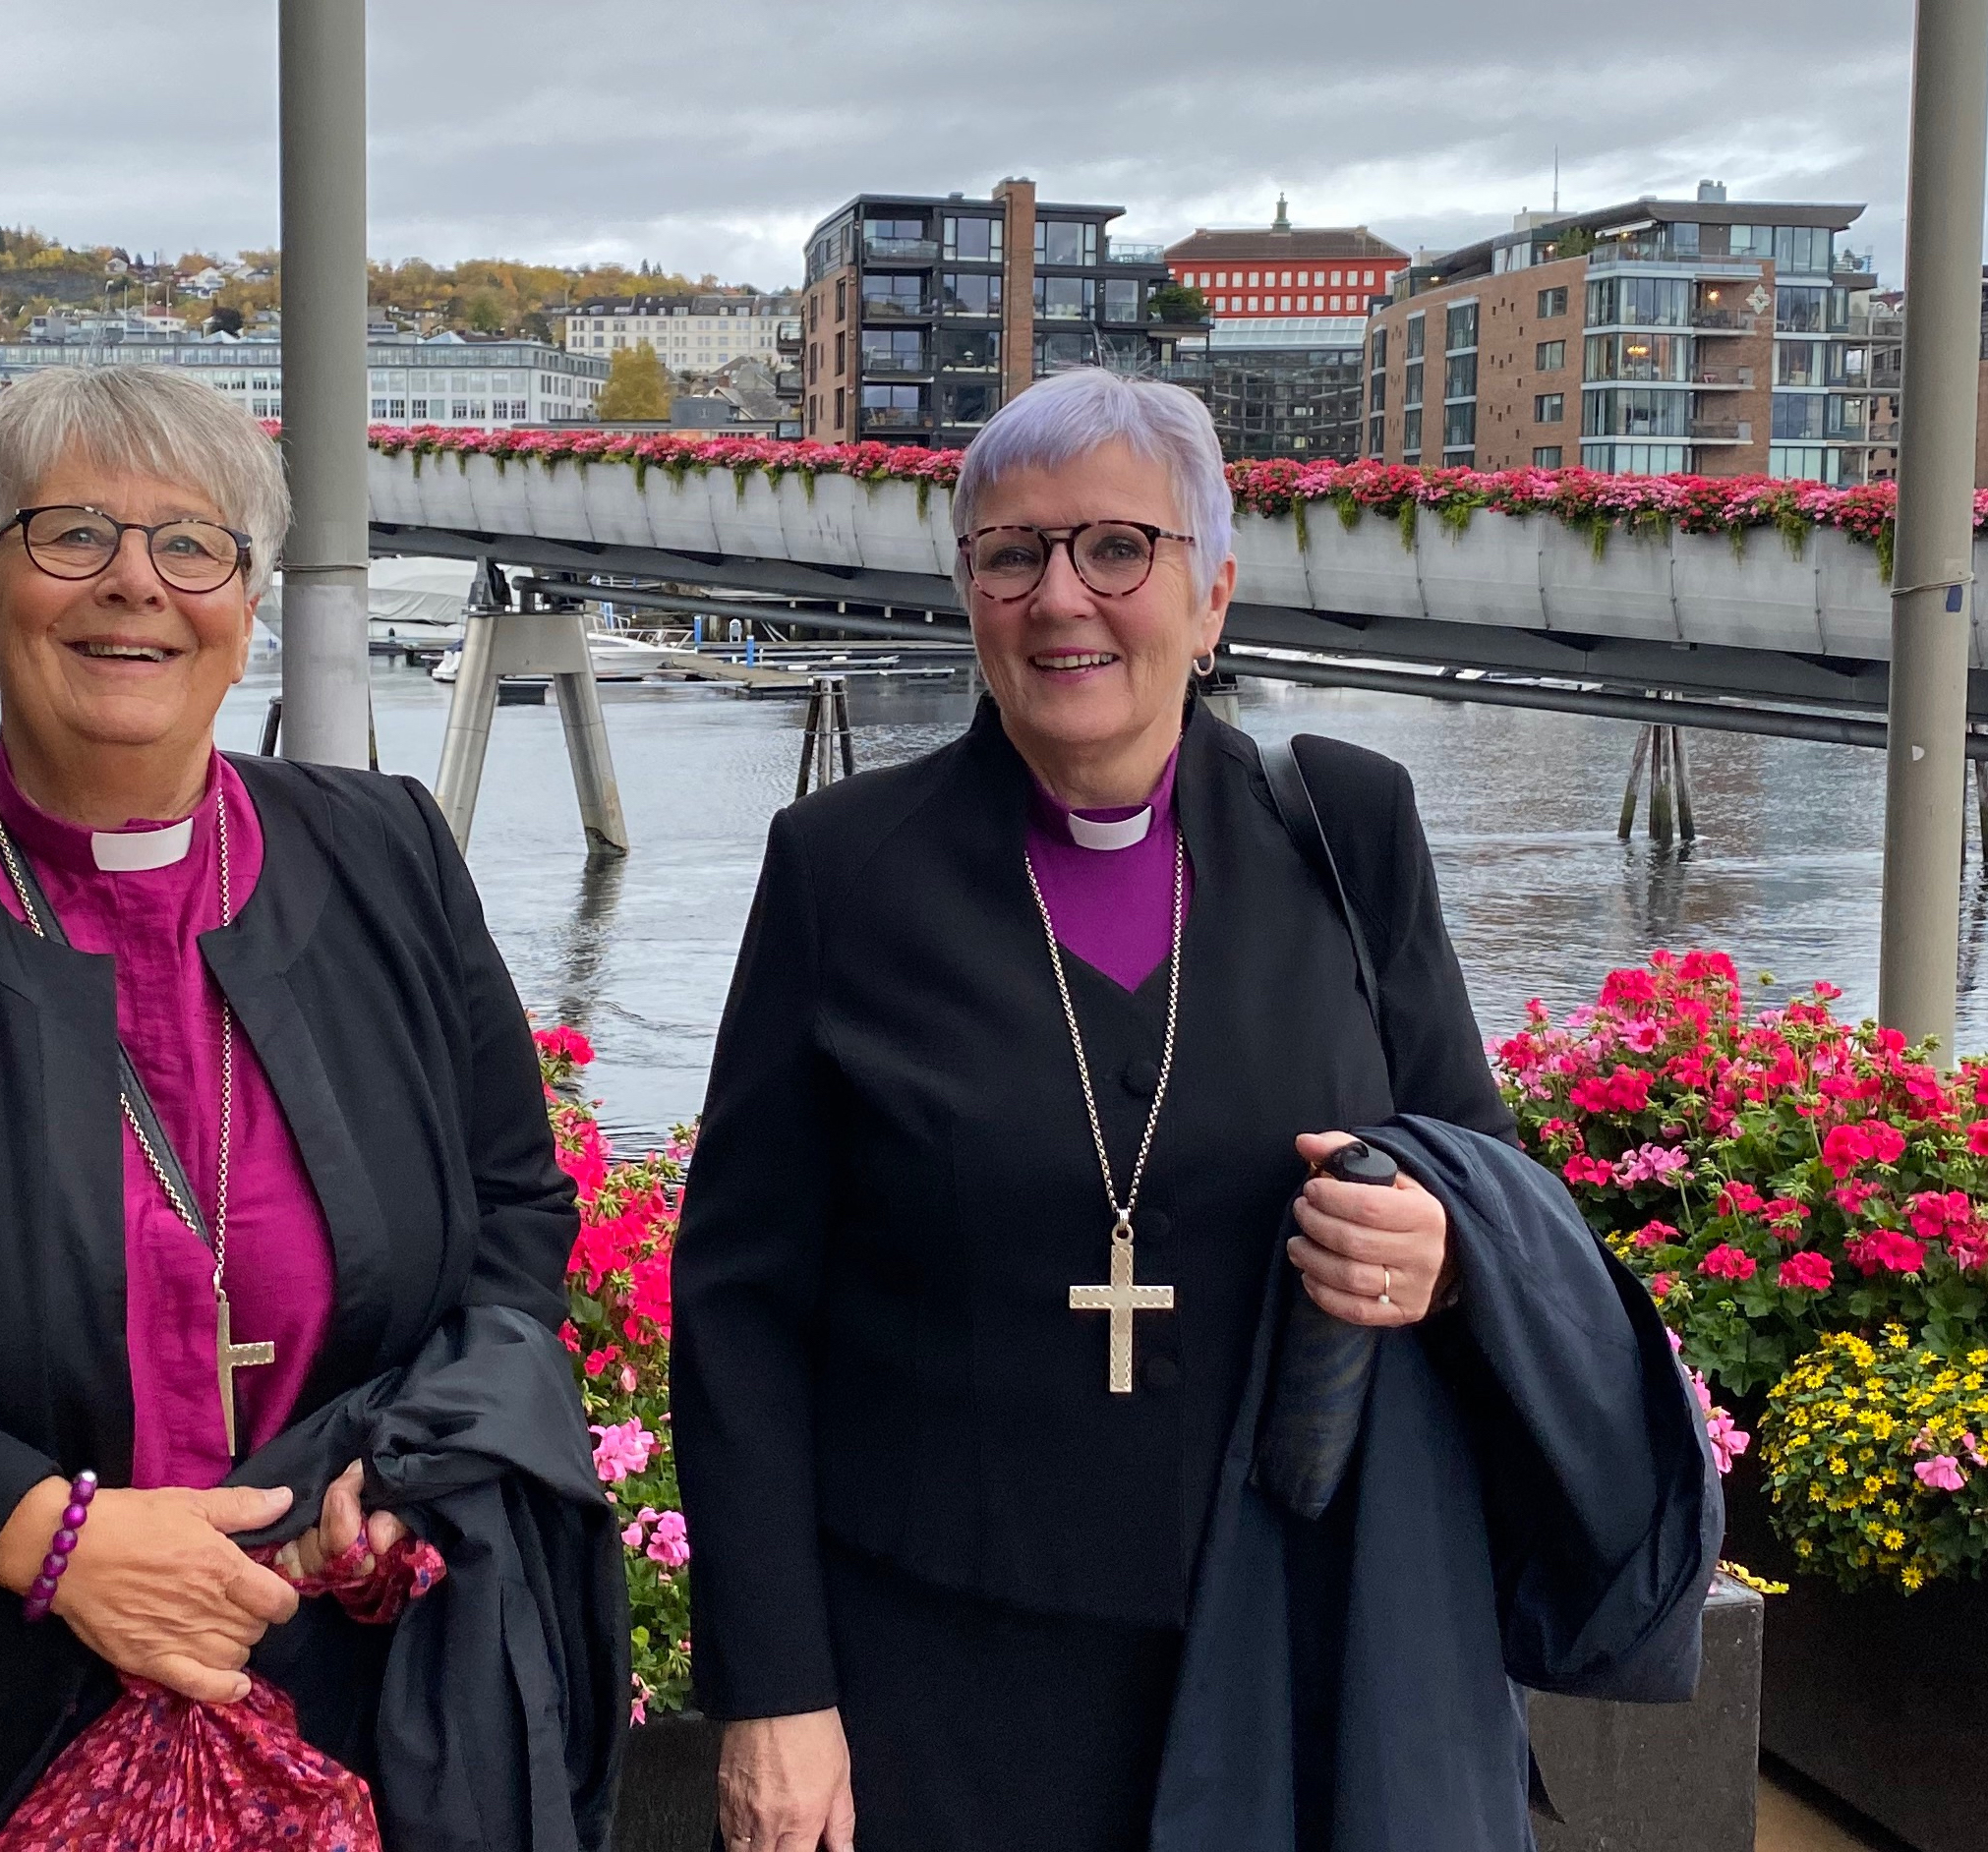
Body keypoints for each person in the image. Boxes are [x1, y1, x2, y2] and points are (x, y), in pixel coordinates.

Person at [671, 367, 1716, 1852]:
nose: (1061, 598)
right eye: (1011, 554)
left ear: (1212, 591)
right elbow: (741, 1303)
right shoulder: (841, 868)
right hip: (936, 1669)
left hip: (1295, 1639)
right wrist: (774, 1689)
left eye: (1118, 548)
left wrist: (1442, 1256)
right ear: (968, 593)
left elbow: (1478, 1165)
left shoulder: (1347, 830)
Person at [0, 364, 590, 1849]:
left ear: (246, 603)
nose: (135, 583)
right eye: (71, 534)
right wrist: (45, 1540)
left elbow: (513, 1212)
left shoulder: (391, 854)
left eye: (192, 544)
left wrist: (410, 1468)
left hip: (347, 1685)